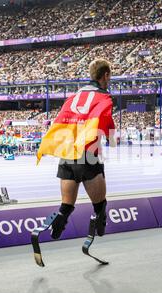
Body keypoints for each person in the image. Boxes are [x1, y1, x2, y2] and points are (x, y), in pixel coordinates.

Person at [36, 58, 116, 240]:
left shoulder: (73, 97)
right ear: (105, 75)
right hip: (88, 156)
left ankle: (54, 229)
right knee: (100, 205)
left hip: (67, 155)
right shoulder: (104, 97)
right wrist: (111, 141)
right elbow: (107, 126)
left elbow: (61, 122)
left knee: (66, 206)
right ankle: (98, 229)